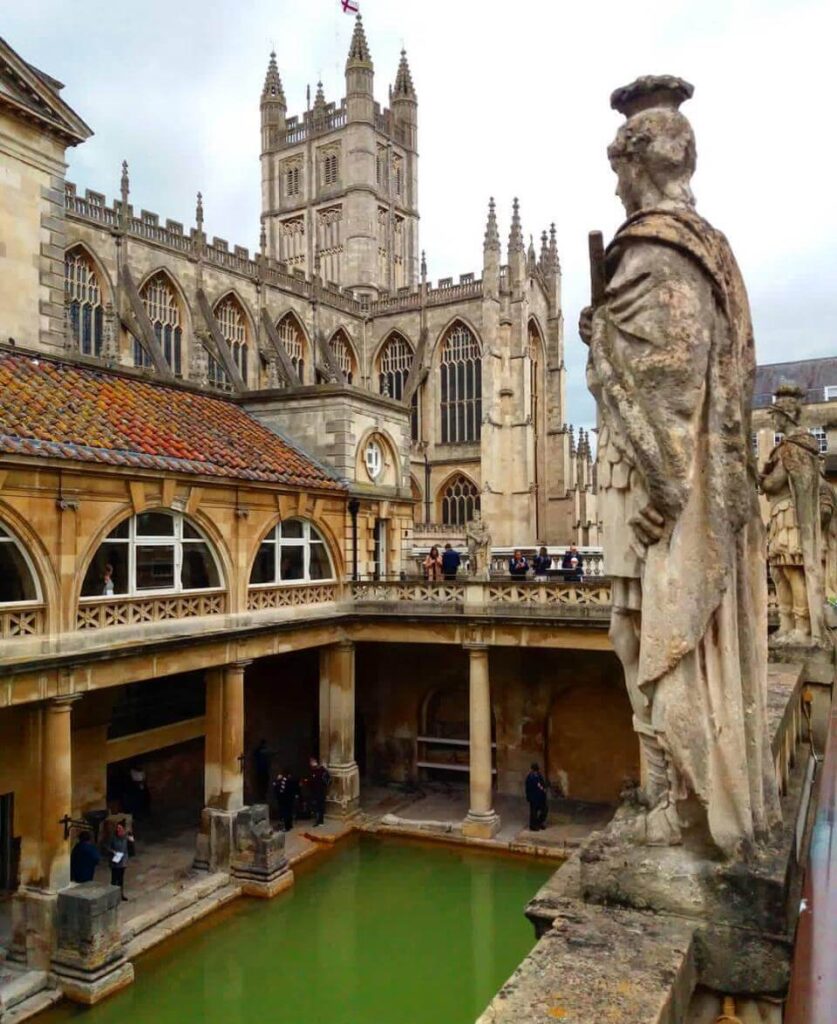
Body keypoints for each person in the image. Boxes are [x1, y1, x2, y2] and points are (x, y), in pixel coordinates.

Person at [580, 74, 779, 855]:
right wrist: (608, 329)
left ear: (636, 164)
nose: (616, 181)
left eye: (618, 166)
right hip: (652, 479)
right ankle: (668, 786)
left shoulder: (659, 247)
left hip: (659, 487)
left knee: (654, 638)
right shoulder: (703, 248)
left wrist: (602, 344)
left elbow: (667, 377)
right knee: (631, 631)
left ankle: (686, 802)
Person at [108, 820, 133, 900]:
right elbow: (107, 847)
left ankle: (121, 894)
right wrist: (113, 851)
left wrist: (132, 841)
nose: (118, 830)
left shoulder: (126, 838)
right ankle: (112, 896)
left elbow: (131, 849)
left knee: (121, 879)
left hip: (122, 862)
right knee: (114, 879)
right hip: (115, 862)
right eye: (117, 828)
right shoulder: (113, 838)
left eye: (120, 828)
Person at [307, 756, 331, 826]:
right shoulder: (315, 771)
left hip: (320, 791)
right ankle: (319, 820)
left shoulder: (320, 771)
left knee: (319, 807)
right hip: (316, 792)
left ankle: (319, 821)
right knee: (318, 806)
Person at [525, 763, 548, 831]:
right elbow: (528, 788)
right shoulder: (530, 777)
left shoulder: (539, 775)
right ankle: (533, 826)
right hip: (533, 798)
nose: (535, 772)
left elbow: (542, 784)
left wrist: (544, 789)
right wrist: (529, 797)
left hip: (541, 797)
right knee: (533, 813)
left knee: (544, 810)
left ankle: (539, 822)